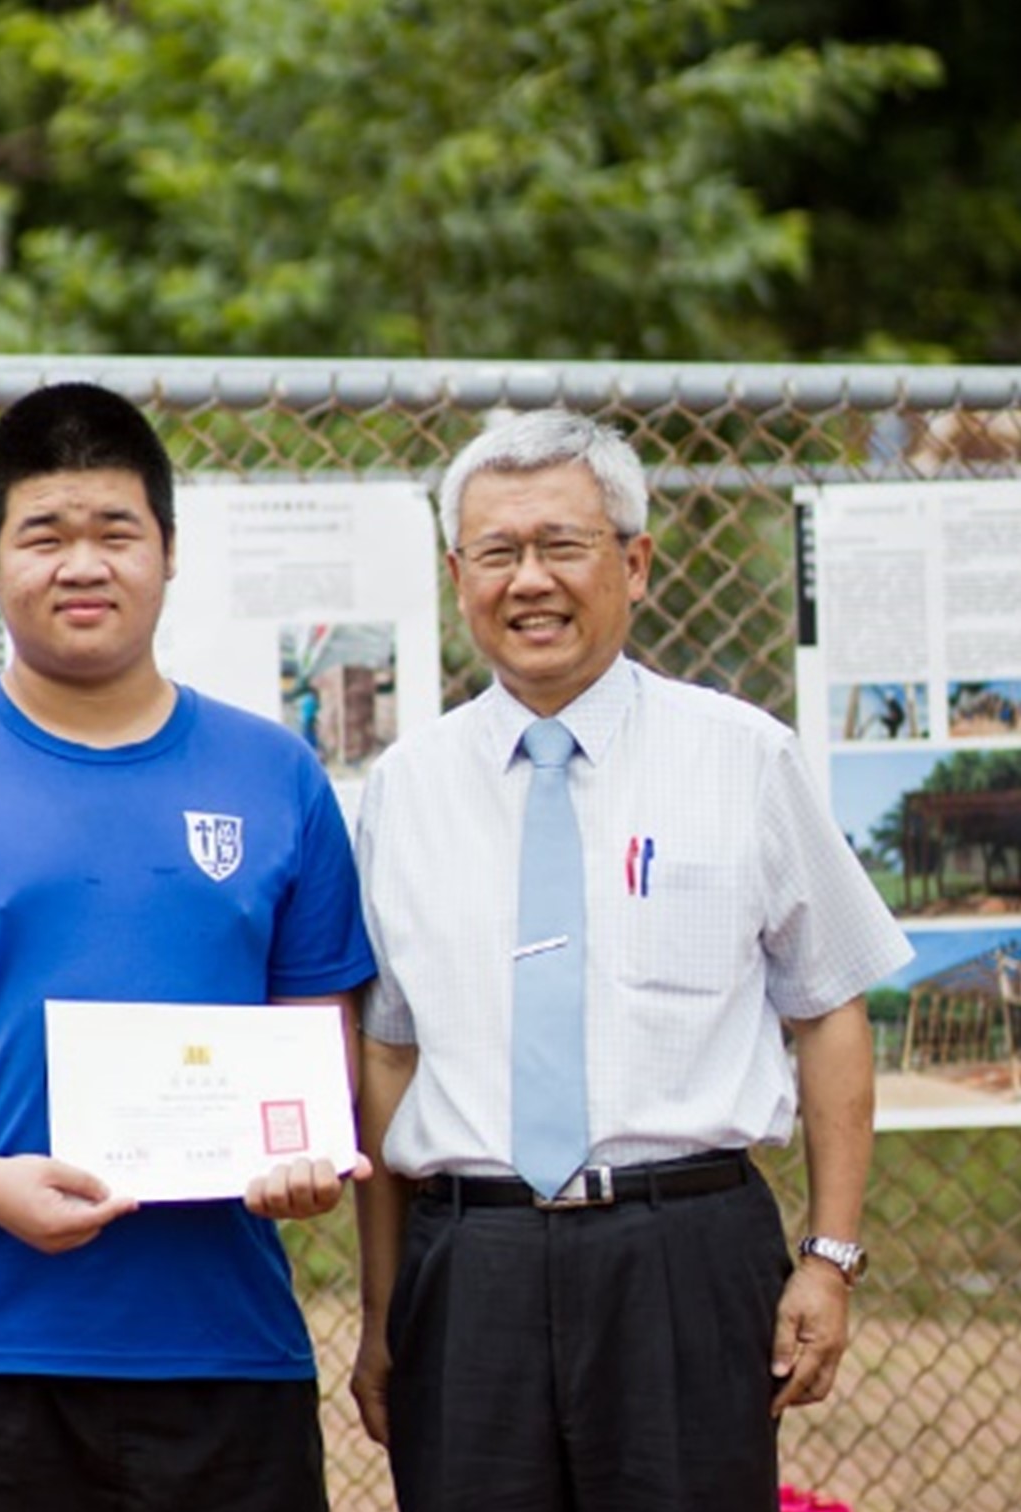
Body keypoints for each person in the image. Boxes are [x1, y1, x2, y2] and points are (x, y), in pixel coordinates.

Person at [0, 382, 377, 1512]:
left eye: (116, 532)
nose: (83, 564)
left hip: (222, 1350)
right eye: (44, 535)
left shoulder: (276, 776)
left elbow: (317, 1031)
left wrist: (306, 1150)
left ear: (168, 555)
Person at [350, 409, 911, 1511]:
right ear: (458, 575)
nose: (530, 582)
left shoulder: (742, 758)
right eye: (497, 554)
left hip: (685, 1256)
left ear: (636, 563)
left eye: (562, 545)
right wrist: (380, 1311)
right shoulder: (403, 789)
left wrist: (831, 1256)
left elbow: (828, 1008)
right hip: (472, 1266)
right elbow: (388, 1056)